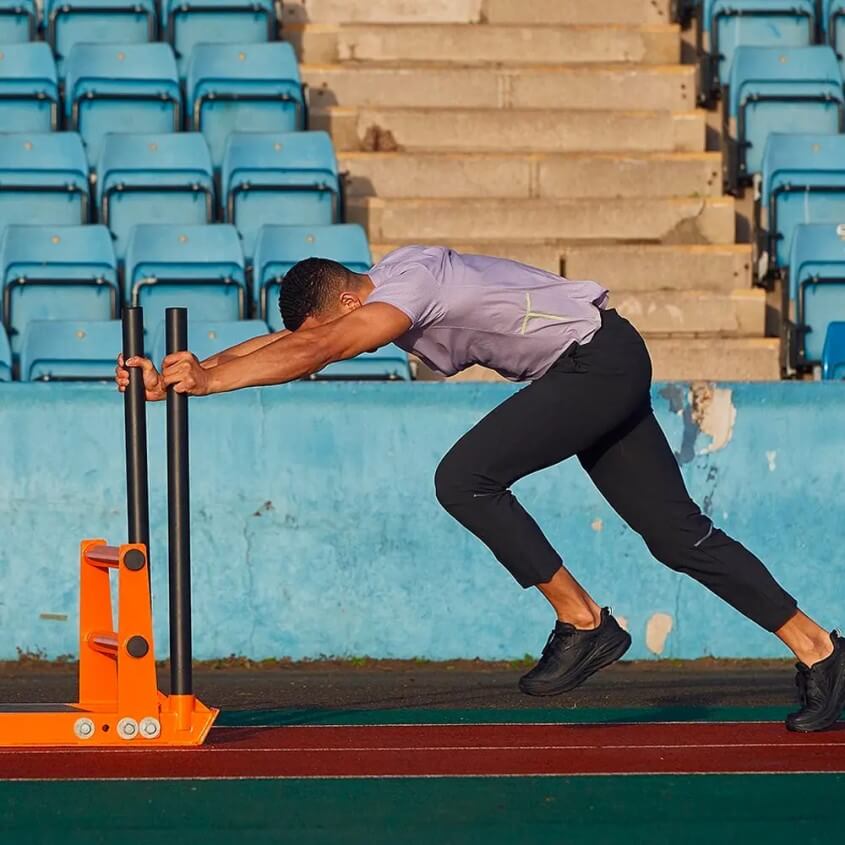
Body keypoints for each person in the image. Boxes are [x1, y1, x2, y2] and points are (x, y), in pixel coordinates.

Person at [116, 246, 845, 732]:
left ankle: (585, 623)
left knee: (462, 477)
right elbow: (295, 343)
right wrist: (188, 373)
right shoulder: (389, 283)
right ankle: (821, 650)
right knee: (676, 534)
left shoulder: (407, 290)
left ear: (340, 302)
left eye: (327, 328)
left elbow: (316, 347)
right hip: (598, 361)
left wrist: (211, 379)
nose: (336, 340)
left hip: (594, 363)